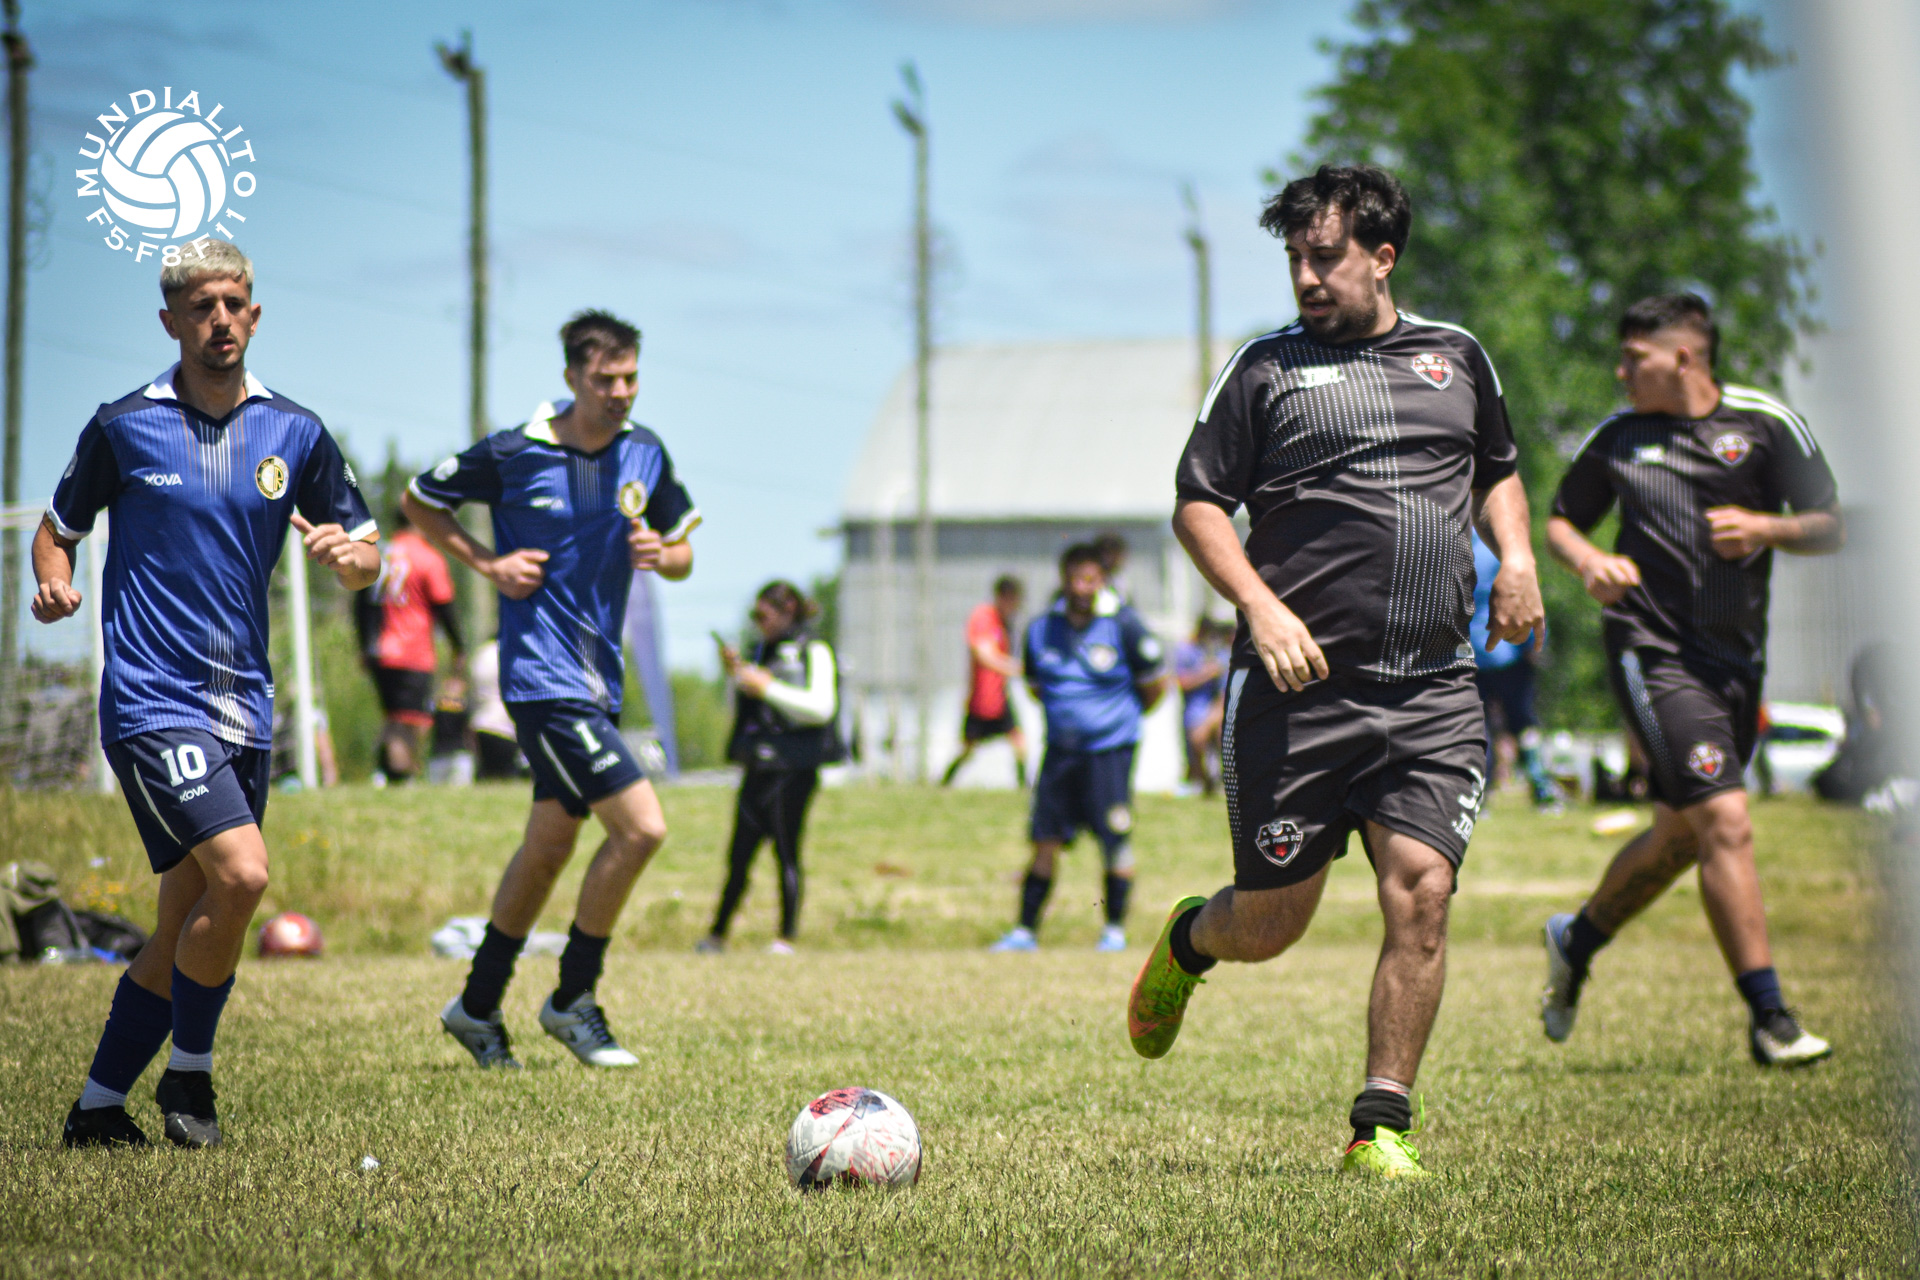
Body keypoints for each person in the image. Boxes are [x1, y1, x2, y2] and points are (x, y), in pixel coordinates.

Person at [1127, 164, 1543, 1180]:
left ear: (1382, 256)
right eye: (1296, 260)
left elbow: (1497, 469)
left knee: (1423, 892)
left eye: (1326, 257)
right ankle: (1189, 942)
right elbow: (1197, 504)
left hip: (1435, 687)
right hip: (1299, 692)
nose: (1308, 278)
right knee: (1271, 922)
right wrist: (1259, 606)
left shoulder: (1457, 356)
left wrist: (1519, 559)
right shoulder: (1265, 369)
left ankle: (1379, 1124)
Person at [39, 242, 379, 1149]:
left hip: (244, 709)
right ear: (171, 322)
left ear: (254, 316)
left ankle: (96, 1109)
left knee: (186, 922)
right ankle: (189, 1080)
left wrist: (351, 559)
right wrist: (54, 581)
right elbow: (57, 529)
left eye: (233, 303)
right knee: (245, 874)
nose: (219, 320)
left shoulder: (296, 432)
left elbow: (367, 553)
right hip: (153, 700)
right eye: (201, 307)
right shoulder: (124, 425)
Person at [1540, 292, 1843, 1066]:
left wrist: (1768, 527)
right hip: (1652, 651)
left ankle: (1577, 941)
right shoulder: (1619, 436)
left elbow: (1831, 523)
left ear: (1682, 357)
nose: (1621, 372)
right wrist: (1590, 561)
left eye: (1633, 358)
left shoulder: (1765, 424)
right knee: (1726, 821)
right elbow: (1561, 521)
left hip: (1736, 662)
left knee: (1679, 839)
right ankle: (1771, 1017)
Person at [404, 309, 698, 1070]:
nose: (621, 392)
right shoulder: (516, 451)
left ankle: (476, 1006)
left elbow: (684, 552)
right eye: (605, 379)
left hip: (600, 685)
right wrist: (488, 564)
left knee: (548, 848)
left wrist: (661, 553)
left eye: (630, 378)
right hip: (541, 682)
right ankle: (572, 996)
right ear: (571, 377)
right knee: (641, 829)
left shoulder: (644, 451)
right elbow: (418, 501)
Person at [990, 544, 1165, 954]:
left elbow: (1154, 687)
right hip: (1060, 752)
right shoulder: (1040, 629)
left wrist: (1112, 722)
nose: (1082, 587)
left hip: (1110, 753)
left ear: (1101, 581)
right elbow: (1035, 686)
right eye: (1075, 579)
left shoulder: (1123, 625)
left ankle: (1114, 930)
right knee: (1044, 840)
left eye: (1090, 579)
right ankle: (1025, 932)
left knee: (1114, 839)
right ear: (1063, 579)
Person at [698, 582, 841, 954]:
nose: (758, 624)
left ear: (788, 609)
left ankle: (786, 937)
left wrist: (767, 688)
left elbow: (821, 708)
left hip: (794, 769)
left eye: (763, 615)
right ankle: (716, 935)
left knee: (786, 853)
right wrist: (738, 675)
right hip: (758, 765)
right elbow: (748, 709)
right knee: (739, 856)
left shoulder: (814, 650)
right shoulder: (760, 651)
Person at [355, 504, 463, 784]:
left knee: (394, 716)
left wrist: (365, 645)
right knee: (413, 720)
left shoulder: (381, 554)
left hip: (381, 650)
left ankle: (389, 772)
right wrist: (458, 647)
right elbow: (444, 605)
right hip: (412, 650)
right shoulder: (427, 557)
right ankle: (400, 776)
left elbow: (361, 602)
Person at [1469, 529, 1561, 812]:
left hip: (1471, 653)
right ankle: (1542, 789)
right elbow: (1523, 598)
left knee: (1478, 730)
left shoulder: (1458, 542)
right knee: (1524, 724)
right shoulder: (1503, 544)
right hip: (1509, 652)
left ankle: (1478, 797)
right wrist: (1535, 644)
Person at [941, 575, 1028, 787]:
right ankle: (944, 783)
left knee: (1019, 742)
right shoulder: (984, 617)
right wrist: (1017, 668)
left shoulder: (1005, 623)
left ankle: (1024, 786)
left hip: (1000, 696)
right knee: (967, 749)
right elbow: (984, 655)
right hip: (981, 699)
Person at [1172, 616, 1231, 796]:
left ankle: (1225, 779)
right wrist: (1207, 673)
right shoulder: (1185, 650)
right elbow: (1181, 683)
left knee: (1221, 733)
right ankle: (1203, 781)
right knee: (1198, 741)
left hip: (1216, 710)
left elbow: (1225, 690)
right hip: (1194, 710)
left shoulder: (1220, 653)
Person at [466, 637, 522, 780]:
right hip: (503, 725)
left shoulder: (482, 652)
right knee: (506, 776)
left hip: (480, 722)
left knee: (485, 773)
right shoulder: (510, 651)